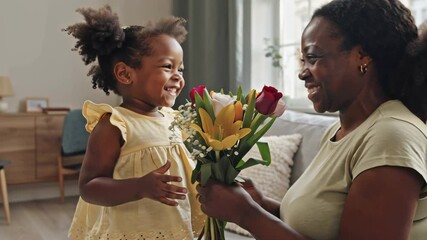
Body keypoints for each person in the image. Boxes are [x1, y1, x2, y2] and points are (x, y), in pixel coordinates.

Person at [196, 0, 427, 239]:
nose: (302, 72)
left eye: (313, 57)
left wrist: (247, 214)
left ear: (362, 57)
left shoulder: (391, 136)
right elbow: (318, 226)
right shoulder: (340, 131)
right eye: (302, 60)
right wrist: (261, 204)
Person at [63, 5, 204, 240]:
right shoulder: (115, 124)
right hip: (128, 231)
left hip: (173, 226)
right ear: (126, 74)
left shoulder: (172, 119)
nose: (178, 76)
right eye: (168, 67)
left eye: (180, 68)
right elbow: (89, 186)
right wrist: (139, 186)